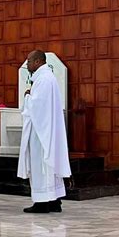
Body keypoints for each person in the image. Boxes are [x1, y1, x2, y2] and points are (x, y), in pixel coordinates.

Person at [17, 50, 71, 213]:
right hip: (46, 128)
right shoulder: (46, 77)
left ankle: (42, 202)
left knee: (40, 164)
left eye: (29, 61)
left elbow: (37, 106)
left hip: (41, 132)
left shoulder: (43, 79)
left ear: (38, 61)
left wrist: (27, 96)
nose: (26, 64)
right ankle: (54, 201)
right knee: (49, 166)